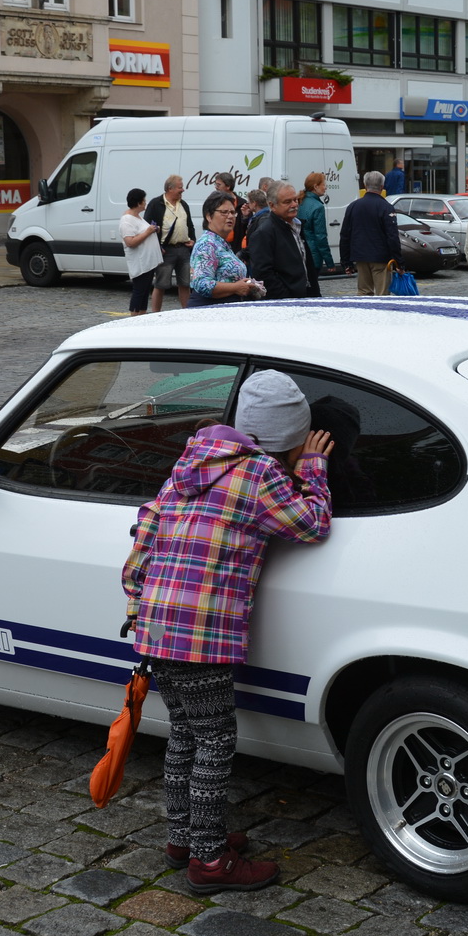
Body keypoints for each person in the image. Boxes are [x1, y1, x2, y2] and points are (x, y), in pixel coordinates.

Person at [122, 370, 333, 892]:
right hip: (202, 636)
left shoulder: (188, 463)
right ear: (286, 437)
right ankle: (210, 862)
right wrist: (313, 467)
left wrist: (140, 604)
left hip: (154, 623)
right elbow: (312, 524)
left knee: (185, 734)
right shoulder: (261, 473)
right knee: (215, 742)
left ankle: (183, 838)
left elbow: (143, 539)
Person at [188, 190, 261, 307]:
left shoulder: (221, 243)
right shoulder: (207, 244)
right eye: (224, 212)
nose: (230, 216)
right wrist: (235, 287)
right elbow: (202, 284)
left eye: (233, 212)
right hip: (209, 311)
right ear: (208, 216)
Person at [247, 183, 316, 300]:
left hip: (305, 297)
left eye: (295, 200)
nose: (294, 205)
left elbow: (306, 265)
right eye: (287, 202)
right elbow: (263, 274)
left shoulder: (297, 226)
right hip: (286, 303)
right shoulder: (264, 233)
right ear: (272, 205)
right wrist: (286, 297)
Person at [339, 171, 401, 295]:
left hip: (360, 256)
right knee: (382, 294)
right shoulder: (386, 207)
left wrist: (346, 262)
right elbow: (392, 236)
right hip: (381, 258)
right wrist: (399, 262)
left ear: (365, 185)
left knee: (363, 293)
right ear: (382, 187)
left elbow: (345, 235)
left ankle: (365, 314)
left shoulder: (353, 206)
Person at [144, 175, 196, 313]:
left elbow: (190, 225)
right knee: (161, 285)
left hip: (184, 249)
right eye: (180, 187)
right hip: (165, 251)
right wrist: (156, 247)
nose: (183, 190)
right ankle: (155, 314)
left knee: (185, 284)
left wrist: (193, 240)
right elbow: (146, 227)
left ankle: (187, 313)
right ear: (169, 188)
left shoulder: (183, 204)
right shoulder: (156, 204)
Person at [120, 188, 163, 315]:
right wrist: (148, 231)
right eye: (144, 200)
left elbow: (143, 232)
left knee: (144, 292)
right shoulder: (127, 220)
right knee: (139, 292)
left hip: (148, 262)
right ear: (138, 203)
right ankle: (133, 319)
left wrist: (153, 230)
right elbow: (130, 242)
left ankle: (142, 317)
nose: (145, 203)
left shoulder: (137, 217)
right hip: (140, 263)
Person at [298, 172, 334, 276]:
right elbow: (320, 236)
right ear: (315, 186)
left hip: (299, 251)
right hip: (313, 254)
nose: (325, 187)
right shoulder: (318, 206)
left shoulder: (300, 201)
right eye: (323, 184)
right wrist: (329, 262)